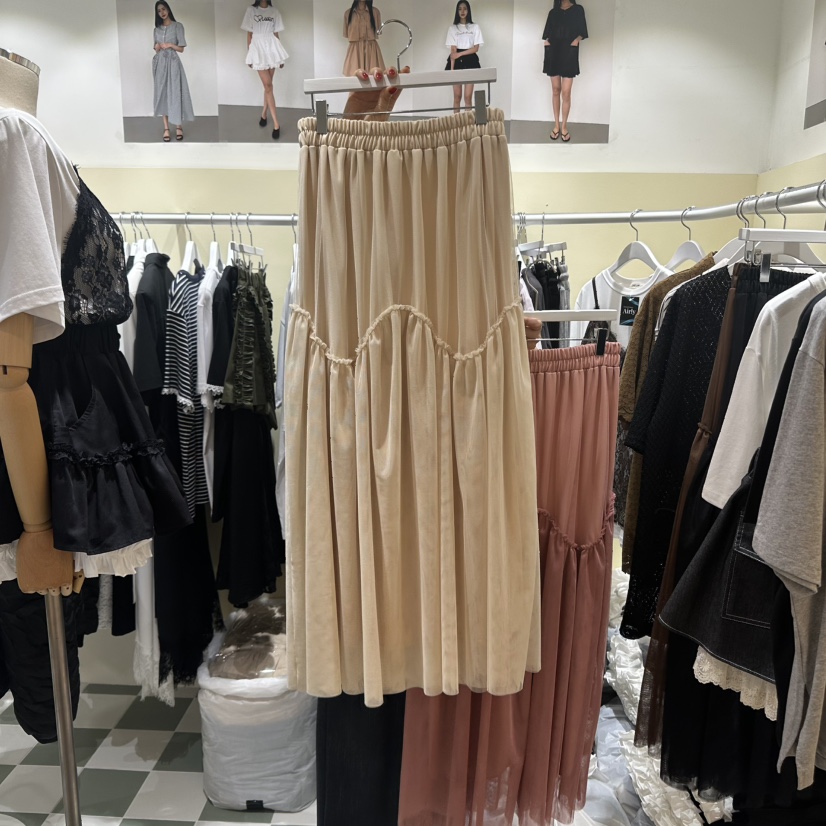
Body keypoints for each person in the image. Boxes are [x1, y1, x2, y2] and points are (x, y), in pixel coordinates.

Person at [242, 0, 289, 140]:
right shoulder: (251, 10)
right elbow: (249, 34)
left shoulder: (274, 11)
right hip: (258, 48)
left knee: (268, 87)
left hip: (272, 48)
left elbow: (276, 34)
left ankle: (264, 114)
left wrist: (280, 56)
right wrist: (250, 55)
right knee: (268, 85)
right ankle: (276, 124)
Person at [542, 0, 588, 142]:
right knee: (556, 90)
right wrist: (547, 42)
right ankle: (556, 125)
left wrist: (576, 41)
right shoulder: (553, 12)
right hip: (554, 52)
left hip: (569, 51)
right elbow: (547, 32)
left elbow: (583, 31)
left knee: (566, 92)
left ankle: (564, 126)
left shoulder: (578, 9)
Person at [153, 1, 194, 142]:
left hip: (174, 63)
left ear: (168, 10)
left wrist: (170, 44)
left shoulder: (178, 26)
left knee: (175, 92)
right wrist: (157, 47)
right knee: (162, 94)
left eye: (163, 9)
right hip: (160, 64)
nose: (162, 13)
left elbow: (181, 49)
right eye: (159, 11)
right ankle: (166, 128)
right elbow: (156, 49)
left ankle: (178, 126)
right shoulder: (156, 30)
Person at [445, 1, 484, 113]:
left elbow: (476, 48)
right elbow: (453, 51)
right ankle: (456, 121)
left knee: (468, 96)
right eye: (460, 9)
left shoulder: (475, 27)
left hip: (471, 60)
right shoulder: (453, 28)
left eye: (465, 9)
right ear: (457, 11)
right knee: (457, 96)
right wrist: (452, 69)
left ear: (468, 10)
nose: (462, 11)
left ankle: (468, 122)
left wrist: (460, 54)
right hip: (457, 61)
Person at [343, 0, 384, 77]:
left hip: (371, 48)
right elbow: (347, 33)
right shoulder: (348, 13)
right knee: (354, 77)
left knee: (374, 76)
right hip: (355, 50)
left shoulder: (375, 12)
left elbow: (378, 31)